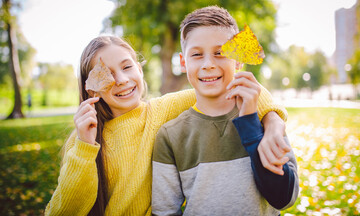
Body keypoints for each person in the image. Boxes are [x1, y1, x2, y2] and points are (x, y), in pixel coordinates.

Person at [45, 35, 288, 215]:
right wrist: (85, 146)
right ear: (91, 87)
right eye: (106, 74)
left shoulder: (162, 111)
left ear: (139, 71)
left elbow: (233, 85)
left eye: (127, 67)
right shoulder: (82, 142)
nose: (121, 80)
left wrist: (273, 120)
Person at [152, 6, 299, 215]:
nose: (208, 64)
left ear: (238, 59)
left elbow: (283, 198)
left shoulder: (267, 122)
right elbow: (164, 211)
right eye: (196, 54)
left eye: (220, 53)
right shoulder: (170, 136)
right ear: (183, 62)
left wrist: (250, 125)